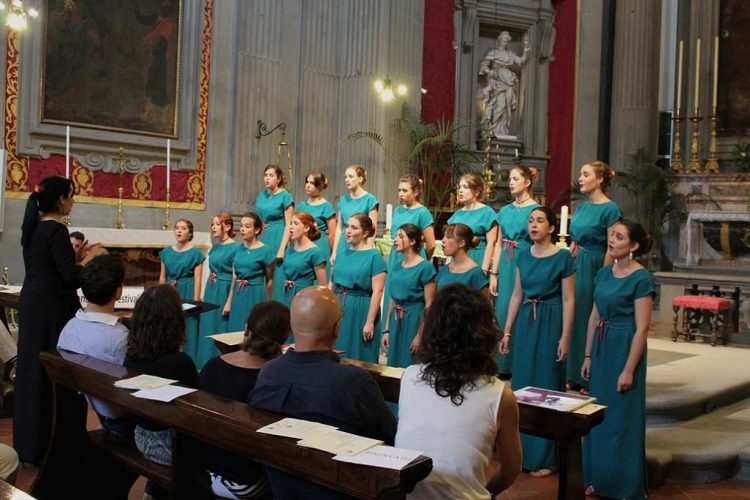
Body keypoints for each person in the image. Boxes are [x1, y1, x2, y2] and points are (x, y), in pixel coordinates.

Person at [249, 286, 396, 499]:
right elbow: (390, 438)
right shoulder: (354, 382)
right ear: (337, 328)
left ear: (291, 326)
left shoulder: (269, 372)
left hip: (281, 488)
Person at [395, 283, 522, 499]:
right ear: (484, 334)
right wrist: (486, 493)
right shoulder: (499, 395)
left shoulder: (409, 376)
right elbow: (511, 469)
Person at [16, 175, 102, 464]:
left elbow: (51, 267)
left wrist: (78, 257)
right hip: (53, 307)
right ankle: (55, 443)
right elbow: (70, 278)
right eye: (72, 196)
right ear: (62, 199)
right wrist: (89, 261)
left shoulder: (34, 227)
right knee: (55, 369)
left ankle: (29, 444)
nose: (74, 201)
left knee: (31, 368)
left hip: (32, 301)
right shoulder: (56, 230)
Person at [581, 221, 653, 500]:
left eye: (619, 237)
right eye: (612, 235)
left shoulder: (641, 278)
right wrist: (587, 355)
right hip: (601, 345)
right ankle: (598, 478)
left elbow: (643, 328)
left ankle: (624, 486)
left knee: (622, 417)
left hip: (624, 346)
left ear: (633, 246)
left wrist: (628, 370)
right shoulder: (603, 272)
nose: (612, 240)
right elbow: (594, 317)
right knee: (599, 417)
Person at [501, 207, 574, 477]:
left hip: (551, 319)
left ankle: (546, 457)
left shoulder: (563, 257)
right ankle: (523, 452)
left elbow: (569, 299)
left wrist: (565, 337)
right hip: (526, 323)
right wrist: (507, 330)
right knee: (523, 387)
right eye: (531, 220)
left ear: (552, 228)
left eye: (540, 221)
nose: (534, 225)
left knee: (547, 385)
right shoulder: (522, 255)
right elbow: (517, 295)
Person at [198, 301, 290, 500]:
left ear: (247, 329)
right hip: (244, 480)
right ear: (284, 339)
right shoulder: (274, 379)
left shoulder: (212, 365)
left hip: (201, 466)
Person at [126, 285, 197, 499]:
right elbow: (194, 411)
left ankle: (152, 489)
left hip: (140, 435)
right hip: (168, 447)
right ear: (175, 322)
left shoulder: (131, 356)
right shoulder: (180, 363)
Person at [57, 254, 133, 437]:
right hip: (121, 417)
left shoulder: (69, 327)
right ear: (118, 292)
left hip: (96, 407)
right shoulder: (120, 337)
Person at [568, 161, 622, 393]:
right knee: (576, 316)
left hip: (596, 265)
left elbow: (612, 244)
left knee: (593, 317)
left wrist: (605, 275)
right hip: (577, 263)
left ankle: (591, 376)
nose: (580, 178)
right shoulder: (580, 207)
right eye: (581, 174)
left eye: (585, 174)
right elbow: (574, 238)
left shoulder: (611, 209)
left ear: (599, 179)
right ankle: (574, 373)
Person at [490, 165, 540, 377]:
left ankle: (521, 361)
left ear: (527, 182)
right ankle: (503, 363)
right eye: (510, 178)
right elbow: (499, 244)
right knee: (503, 309)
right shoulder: (505, 211)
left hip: (526, 259)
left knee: (523, 311)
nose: (511, 182)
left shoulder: (535, 210)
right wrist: (494, 273)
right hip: (506, 263)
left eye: (516, 178)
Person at [330, 213, 386, 363]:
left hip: (361, 309)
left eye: (353, 227)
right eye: (347, 226)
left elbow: (378, 291)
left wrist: (369, 321)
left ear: (365, 233)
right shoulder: (341, 254)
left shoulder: (374, 256)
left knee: (358, 354)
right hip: (339, 307)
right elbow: (332, 284)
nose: (348, 230)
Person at [383, 224, 436, 368]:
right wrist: (386, 329)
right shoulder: (396, 266)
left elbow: (430, 305)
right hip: (396, 320)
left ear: (412, 241)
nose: (395, 239)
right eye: (396, 236)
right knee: (393, 365)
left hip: (414, 319)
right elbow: (393, 299)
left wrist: (420, 335)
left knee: (411, 363)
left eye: (400, 236)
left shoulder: (425, 267)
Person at [382, 174, 436, 314]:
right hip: (397, 257)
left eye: (405, 191)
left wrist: (421, 259)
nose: (400, 194)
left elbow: (431, 244)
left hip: (414, 258)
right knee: (394, 294)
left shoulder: (422, 212)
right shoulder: (398, 210)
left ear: (416, 192)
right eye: (399, 190)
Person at [159, 219, 205, 363]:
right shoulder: (166, 252)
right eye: (177, 228)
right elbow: (162, 277)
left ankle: (188, 361)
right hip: (170, 291)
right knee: (169, 326)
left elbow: (198, 279)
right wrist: (161, 295)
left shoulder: (195, 253)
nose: (179, 231)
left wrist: (195, 301)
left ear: (190, 233)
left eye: (183, 228)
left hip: (187, 290)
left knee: (188, 327)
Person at [200, 213, 239, 369]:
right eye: (212, 224)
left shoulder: (236, 247)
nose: (213, 227)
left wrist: (229, 301)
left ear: (227, 227)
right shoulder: (215, 247)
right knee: (208, 325)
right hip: (212, 287)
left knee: (220, 326)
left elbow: (236, 276)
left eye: (217, 224)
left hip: (224, 288)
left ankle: (220, 364)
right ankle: (205, 364)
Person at [227, 213, 275, 333]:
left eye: (247, 226)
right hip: (239, 294)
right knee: (236, 330)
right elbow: (235, 276)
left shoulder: (266, 251)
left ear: (257, 229)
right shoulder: (236, 249)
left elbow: (270, 279)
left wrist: (268, 303)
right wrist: (229, 301)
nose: (242, 229)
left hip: (255, 294)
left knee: (254, 329)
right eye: (242, 225)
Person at [478, 31, 530, 138]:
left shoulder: (510, 54)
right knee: (500, 105)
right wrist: (490, 71)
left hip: (509, 81)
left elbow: (521, 61)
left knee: (508, 107)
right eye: (503, 40)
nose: (505, 42)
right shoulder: (494, 53)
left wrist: (525, 49)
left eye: (507, 41)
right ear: (500, 40)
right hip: (497, 82)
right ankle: (492, 130)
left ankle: (503, 130)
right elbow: (484, 66)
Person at [447, 173, 497, 276]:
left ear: (477, 192)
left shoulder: (487, 212)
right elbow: (450, 243)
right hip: (457, 260)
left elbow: (491, 243)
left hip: (477, 259)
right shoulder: (457, 215)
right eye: (459, 187)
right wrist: (447, 265)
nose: (460, 190)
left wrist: (484, 268)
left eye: (465, 187)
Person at [255, 165, 293, 302]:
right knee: (261, 271)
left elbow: (289, 223)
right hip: (262, 235)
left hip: (278, 235)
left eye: (271, 175)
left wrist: (282, 248)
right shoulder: (261, 195)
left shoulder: (285, 195)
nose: (267, 178)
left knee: (276, 275)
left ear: (279, 178)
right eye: (265, 175)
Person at [280, 211, 327, 315]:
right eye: (290, 223)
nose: (291, 227)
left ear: (306, 228)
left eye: (295, 224)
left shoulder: (315, 252)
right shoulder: (289, 250)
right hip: (288, 294)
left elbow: (323, 286)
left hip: (305, 298)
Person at [331, 165, 378, 263]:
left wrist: (368, 249)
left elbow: (373, 228)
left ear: (360, 179)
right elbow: (339, 228)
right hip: (344, 243)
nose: (347, 180)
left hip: (361, 243)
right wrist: (334, 252)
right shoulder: (343, 200)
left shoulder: (370, 200)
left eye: (350, 176)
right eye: (345, 177)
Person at [297, 171, 336, 276]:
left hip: (319, 244)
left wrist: (333, 252)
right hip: (302, 244)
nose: (307, 185)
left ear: (319, 186)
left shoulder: (326, 206)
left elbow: (332, 234)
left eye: (312, 183)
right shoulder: (301, 206)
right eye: (307, 182)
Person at [435, 223, 489, 293]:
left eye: (448, 237)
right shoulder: (445, 270)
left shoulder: (476, 274)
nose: (443, 240)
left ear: (461, 243)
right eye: (444, 236)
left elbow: (483, 302)